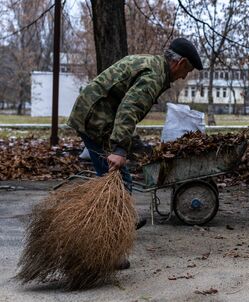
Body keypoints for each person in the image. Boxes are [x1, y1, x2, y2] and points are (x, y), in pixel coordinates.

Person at [67, 38, 203, 268]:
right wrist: (120, 149)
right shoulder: (153, 77)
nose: (184, 77)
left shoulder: (152, 65)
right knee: (117, 185)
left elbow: (125, 104)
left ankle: (119, 227)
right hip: (96, 120)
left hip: (97, 115)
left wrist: (132, 145)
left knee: (118, 181)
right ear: (179, 62)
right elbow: (128, 108)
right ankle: (107, 252)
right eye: (187, 70)